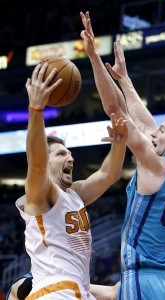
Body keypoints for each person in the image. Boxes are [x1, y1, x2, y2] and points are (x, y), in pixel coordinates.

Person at [80, 11, 165, 300]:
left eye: (161, 131)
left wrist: (93, 57)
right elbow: (145, 122)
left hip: (145, 279)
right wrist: (125, 80)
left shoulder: (156, 165)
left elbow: (117, 112)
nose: (152, 133)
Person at [15, 62, 128, 299]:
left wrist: (119, 144)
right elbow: (36, 163)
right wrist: (36, 110)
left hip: (75, 290)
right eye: (61, 153)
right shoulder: (42, 193)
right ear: (47, 160)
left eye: (70, 153)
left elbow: (109, 174)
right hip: (56, 291)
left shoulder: (74, 194)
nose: (71, 157)